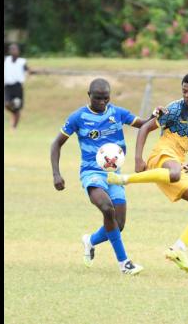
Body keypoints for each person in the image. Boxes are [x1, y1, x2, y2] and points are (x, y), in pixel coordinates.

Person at [50, 78, 167, 275]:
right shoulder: (78, 117)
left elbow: (143, 125)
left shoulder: (117, 113)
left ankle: (90, 241)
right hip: (91, 173)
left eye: (105, 98)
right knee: (107, 208)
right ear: (89, 95)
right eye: (97, 98)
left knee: (118, 224)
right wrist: (56, 174)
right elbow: (56, 144)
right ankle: (124, 263)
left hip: (114, 175)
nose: (102, 102)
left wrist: (156, 116)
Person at [107, 72, 188, 274]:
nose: (187, 95)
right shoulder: (175, 109)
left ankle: (178, 249)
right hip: (163, 155)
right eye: (184, 91)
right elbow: (144, 129)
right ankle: (123, 179)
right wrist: (138, 159)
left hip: (177, 162)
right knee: (175, 173)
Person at [4, 43, 36, 130]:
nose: (13, 51)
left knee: (17, 107)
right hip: (7, 86)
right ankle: (14, 113)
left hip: (17, 86)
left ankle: (14, 127)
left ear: (18, 51)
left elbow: (27, 69)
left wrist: (30, 72)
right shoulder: (6, 60)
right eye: (12, 49)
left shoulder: (22, 61)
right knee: (7, 104)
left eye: (15, 49)